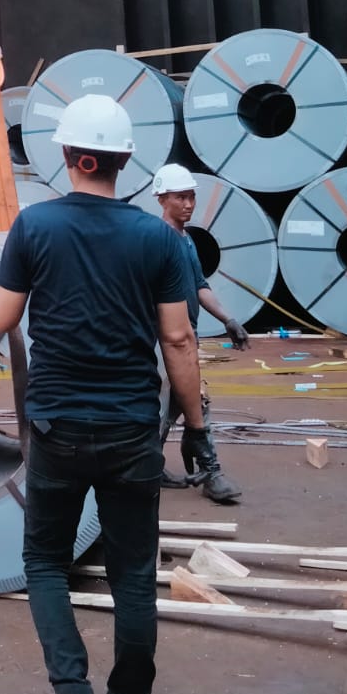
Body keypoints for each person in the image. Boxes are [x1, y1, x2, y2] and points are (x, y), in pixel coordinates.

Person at [0, 94, 206, 694]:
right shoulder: (159, 239)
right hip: (132, 429)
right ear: (125, 161)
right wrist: (196, 427)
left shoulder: (35, 226)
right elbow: (179, 337)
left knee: (45, 562)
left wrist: (15, 271)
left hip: (55, 428)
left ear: (67, 155)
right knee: (135, 577)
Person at [152, 164, 245, 504]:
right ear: (162, 199)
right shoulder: (157, 242)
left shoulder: (186, 240)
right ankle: (210, 471)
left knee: (178, 404)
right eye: (181, 197)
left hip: (185, 337)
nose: (189, 204)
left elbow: (199, 286)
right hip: (163, 341)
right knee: (175, 404)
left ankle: (167, 467)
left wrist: (228, 318)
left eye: (192, 196)